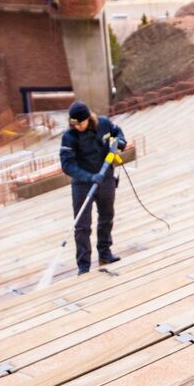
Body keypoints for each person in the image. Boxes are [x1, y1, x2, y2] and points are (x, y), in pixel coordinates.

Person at [59, 101, 128, 275]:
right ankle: (84, 265)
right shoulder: (69, 137)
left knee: (107, 216)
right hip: (82, 184)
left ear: (88, 118)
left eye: (80, 123)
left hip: (105, 178)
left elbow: (117, 132)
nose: (78, 127)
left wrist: (120, 141)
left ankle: (105, 253)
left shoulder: (103, 124)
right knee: (82, 226)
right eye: (74, 124)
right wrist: (89, 177)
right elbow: (67, 165)